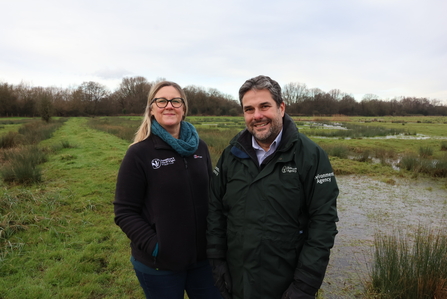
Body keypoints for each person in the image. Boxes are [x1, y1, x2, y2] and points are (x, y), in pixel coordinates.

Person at [207, 75, 339, 299]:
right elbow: (215, 211)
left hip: (286, 285)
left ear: (281, 107)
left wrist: (305, 286)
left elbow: (323, 225)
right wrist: (217, 262)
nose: (257, 116)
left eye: (264, 106)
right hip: (238, 281)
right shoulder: (231, 155)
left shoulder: (311, 156)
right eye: (249, 109)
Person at [114, 81, 222, 299]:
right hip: (159, 265)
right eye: (161, 101)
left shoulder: (200, 147)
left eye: (175, 101)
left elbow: (212, 196)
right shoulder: (139, 153)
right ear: (152, 109)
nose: (169, 106)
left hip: (203, 260)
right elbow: (124, 211)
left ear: (184, 108)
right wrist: (156, 247)